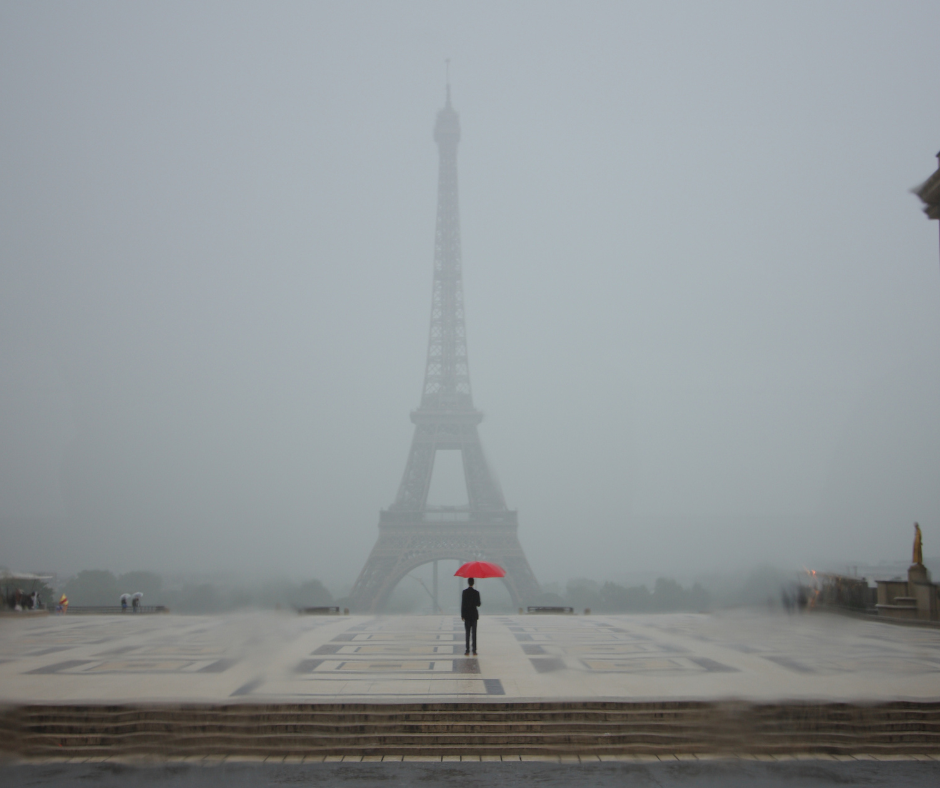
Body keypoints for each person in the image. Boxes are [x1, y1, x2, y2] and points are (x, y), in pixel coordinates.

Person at [461, 578, 481, 656]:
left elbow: (463, 604)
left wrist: (462, 615)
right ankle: (474, 650)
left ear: (468, 582)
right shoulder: (476, 593)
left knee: (467, 633)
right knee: (474, 633)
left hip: (467, 615)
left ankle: (467, 650)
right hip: (474, 615)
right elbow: (478, 604)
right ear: (473, 583)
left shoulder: (464, 592)